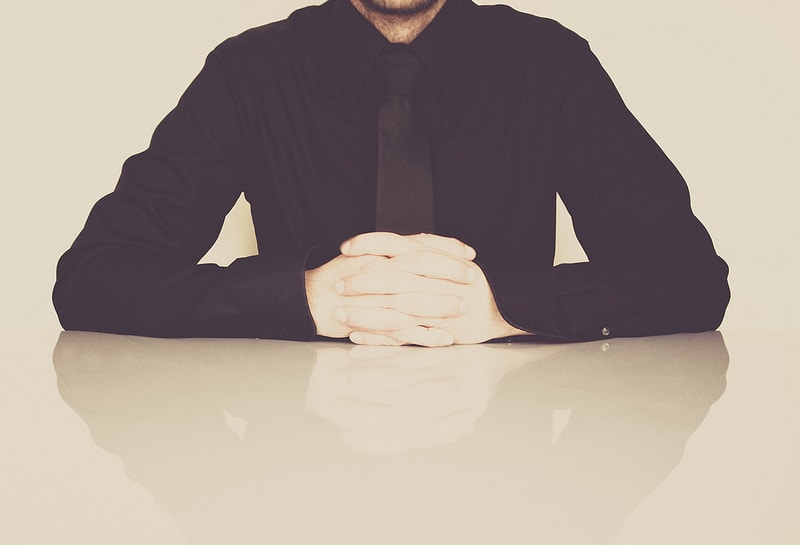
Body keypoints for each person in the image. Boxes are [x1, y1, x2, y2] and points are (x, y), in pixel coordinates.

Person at [53, 0, 730, 346]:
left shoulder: (550, 65)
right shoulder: (248, 74)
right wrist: (301, 297)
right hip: (290, 475)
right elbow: (93, 277)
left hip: (513, 480)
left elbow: (691, 278)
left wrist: (507, 306)